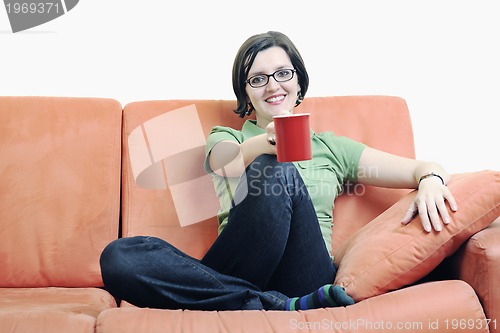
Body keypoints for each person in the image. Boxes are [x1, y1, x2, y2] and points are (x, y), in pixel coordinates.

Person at [100, 31, 458, 311]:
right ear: (246, 91)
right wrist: (264, 145)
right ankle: (263, 303)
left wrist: (431, 179)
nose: (272, 85)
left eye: (282, 73)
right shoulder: (228, 137)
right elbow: (225, 162)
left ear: (298, 81)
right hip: (236, 268)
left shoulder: (332, 147)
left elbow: (422, 167)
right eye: (257, 79)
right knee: (119, 257)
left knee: (278, 172)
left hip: (305, 274)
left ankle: (241, 300)